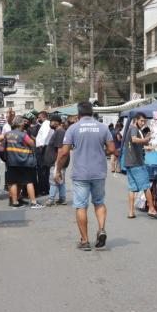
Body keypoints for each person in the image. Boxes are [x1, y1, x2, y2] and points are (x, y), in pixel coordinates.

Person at [55, 102, 117, 251]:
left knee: (81, 206)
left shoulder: (73, 128)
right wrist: (100, 152)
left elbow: (64, 152)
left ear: (79, 113)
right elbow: (112, 149)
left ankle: (85, 241)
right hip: (99, 172)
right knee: (99, 202)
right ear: (92, 112)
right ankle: (101, 229)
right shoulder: (102, 127)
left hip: (80, 174)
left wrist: (57, 169)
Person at [0, 116, 44, 209]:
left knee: (14, 182)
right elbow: (32, 144)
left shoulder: (7, 134)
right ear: (21, 124)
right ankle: (33, 202)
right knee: (28, 181)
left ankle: (15, 202)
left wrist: (1, 145)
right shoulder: (23, 135)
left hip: (12, 162)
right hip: (24, 161)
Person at [124, 113, 157, 220]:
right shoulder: (134, 129)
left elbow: (135, 144)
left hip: (129, 163)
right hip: (136, 163)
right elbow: (134, 139)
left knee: (132, 188)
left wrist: (146, 143)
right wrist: (145, 140)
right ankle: (152, 209)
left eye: (144, 121)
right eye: (141, 121)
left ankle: (131, 212)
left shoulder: (134, 129)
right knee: (146, 186)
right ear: (136, 120)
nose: (143, 123)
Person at [44, 114, 68, 206]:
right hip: (58, 162)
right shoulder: (58, 131)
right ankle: (62, 198)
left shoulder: (60, 132)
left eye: (51, 121)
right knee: (60, 180)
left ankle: (51, 199)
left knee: (54, 180)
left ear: (56, 122)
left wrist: (57, 165)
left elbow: (60, 149)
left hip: (57, 162)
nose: (50, 123)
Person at [35, 111, 52, 195]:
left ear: (43, 117)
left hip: (43, 149)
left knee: (42, 170)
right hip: (44, 148)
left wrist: (41, 146)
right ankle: (45, 188)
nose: (38, 119)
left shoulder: (46, 124)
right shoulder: (45, 124)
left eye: (39, 117)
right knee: (44, 170)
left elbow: (44, 136)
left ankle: (43, 189)